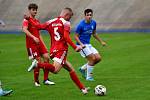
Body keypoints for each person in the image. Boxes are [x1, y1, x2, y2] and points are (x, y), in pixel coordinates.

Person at [26, 7, 89, 94]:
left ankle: (83, 89)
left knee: (71, 69)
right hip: (61, 50)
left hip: (53, 51)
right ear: (66, 15)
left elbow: (38, 26)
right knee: (55, 70)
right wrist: (75, 47)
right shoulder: (66, 23)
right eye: (70, 17)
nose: (70, 19)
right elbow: (66, 37)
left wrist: (29, 19)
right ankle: (38, 64)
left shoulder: (51, 21)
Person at [22, 3, 55, 87]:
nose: (35, 11)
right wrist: (33, 37)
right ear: (29, 10)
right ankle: (36, 81)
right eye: (33, 10)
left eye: (36, 10)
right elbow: (24, 30)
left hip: (39, 43)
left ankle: (46, 79)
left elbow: (39, 34)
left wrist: (43, 43)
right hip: (31, 44)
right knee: (38, 61)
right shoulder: (26, 20)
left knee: (47, 58)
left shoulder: (36, 21)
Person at [74, 9, 107, 81]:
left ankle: (82, 69)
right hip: (81, 46)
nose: (89, 16)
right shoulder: (81, 25)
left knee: (98, 58)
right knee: (92, 58)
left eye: (90, 15)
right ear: (85, 15)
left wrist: (101, 42)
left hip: (88, 44)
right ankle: (89, 77)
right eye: (88, 15)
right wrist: (81, 44)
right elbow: (75, 36)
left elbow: (94, 34)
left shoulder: (94, 23)